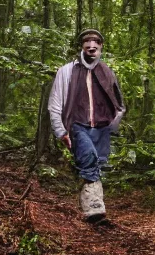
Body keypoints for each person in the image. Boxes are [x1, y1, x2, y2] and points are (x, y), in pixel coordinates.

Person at [48, 28, 125, 224]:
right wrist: (60, 131)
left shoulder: (107, 72)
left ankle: (90, 207)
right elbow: (55, 104)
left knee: (96, 164)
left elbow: (118, 103)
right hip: (77, 125)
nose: (91, 45)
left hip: (101, 127)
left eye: (96, 41)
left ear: (101, 46)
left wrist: (113, 125)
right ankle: (94, 210)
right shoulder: (67, 71)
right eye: (87, 41)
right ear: (81, 46)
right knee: (89, 159)